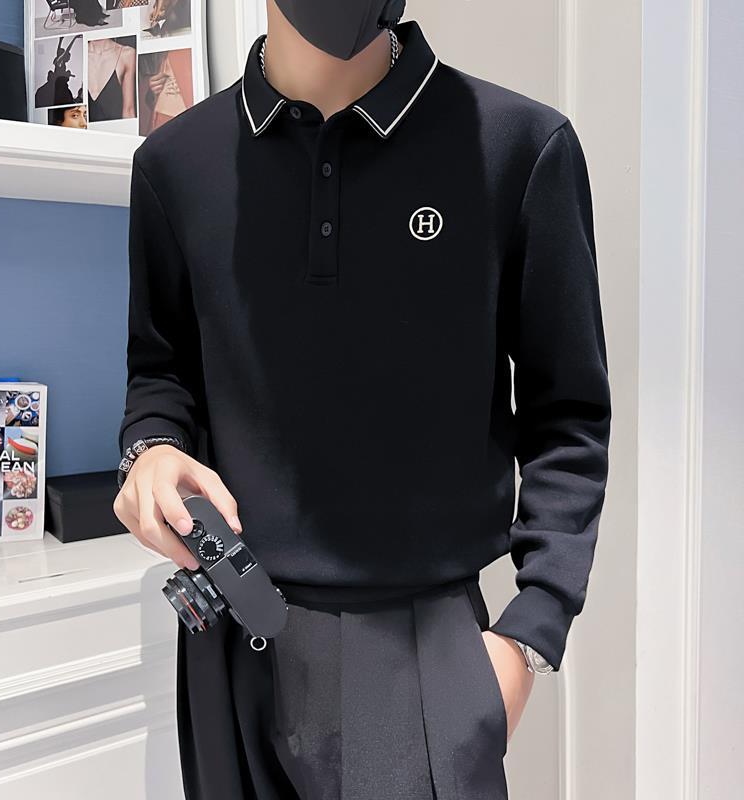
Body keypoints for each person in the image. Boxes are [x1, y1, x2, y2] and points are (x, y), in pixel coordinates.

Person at [113, 1, 612, 798]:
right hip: (226, 635)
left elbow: (570, 415)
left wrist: (530, 634)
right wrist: (150, 450)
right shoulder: (175, 163)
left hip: (416, 653)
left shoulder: (519, 146)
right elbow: (161, 372)